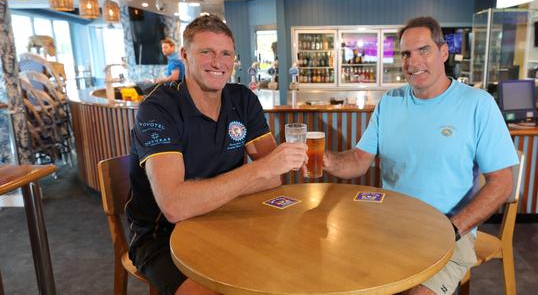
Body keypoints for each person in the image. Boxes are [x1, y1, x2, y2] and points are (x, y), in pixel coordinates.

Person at [323, 16, 518, 295]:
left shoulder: (479, 104)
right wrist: (325, 160)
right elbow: (358, 160)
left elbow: (503, 182)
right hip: (387, 225)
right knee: (335, 276)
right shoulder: (389, 102)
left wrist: (453, 228)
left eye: (423, 50)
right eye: (405, 54)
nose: (413, 63)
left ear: (443, 52)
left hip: (450, 230)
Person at [126, 15, 308, 295]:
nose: (218, 62)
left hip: (227, 217)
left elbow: (274, 179)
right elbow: (175, 206)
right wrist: (256, 171)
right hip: (161, 235)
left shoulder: (243, 99)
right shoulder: (158, 108)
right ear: (185, 55)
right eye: (206, 52)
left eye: (226, 53)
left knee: (288, 269)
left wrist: (214, 191)